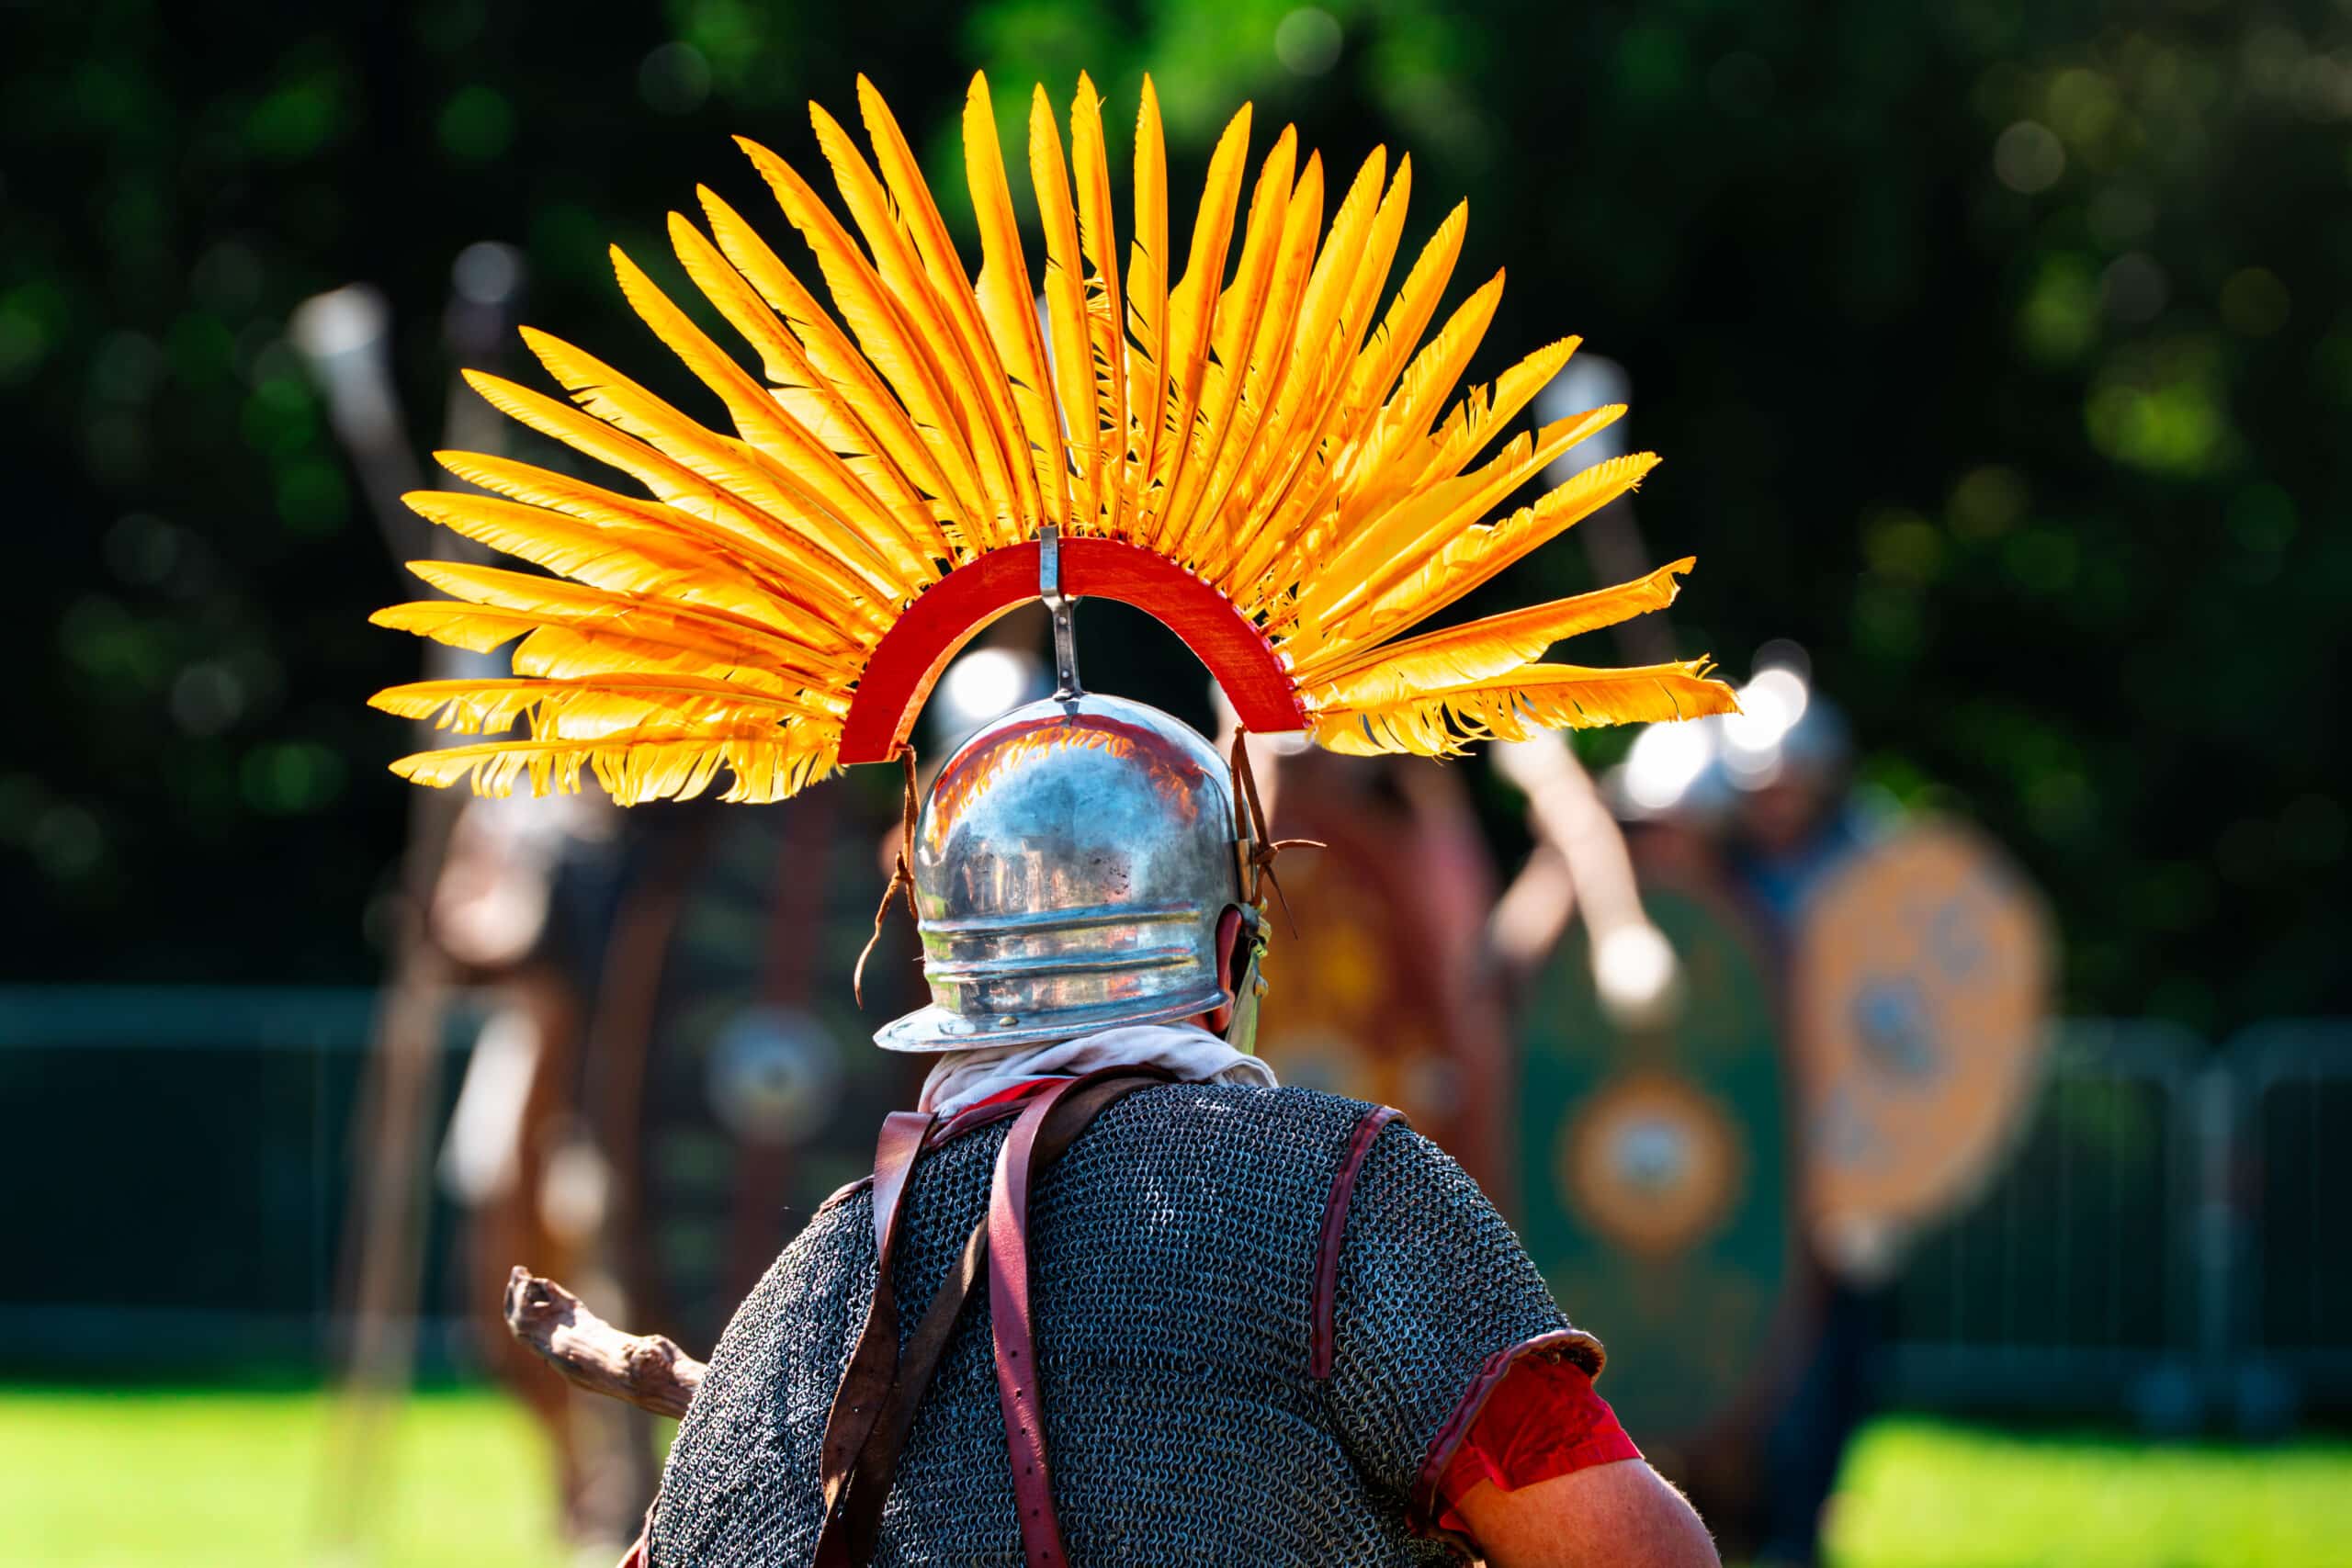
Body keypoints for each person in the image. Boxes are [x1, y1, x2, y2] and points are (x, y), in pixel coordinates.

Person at [368, 69, 1736, 1566]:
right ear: (1230, 945)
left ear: (940, 967)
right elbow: (1639, 1556)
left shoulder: (815, 1290)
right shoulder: (1349, 1205)